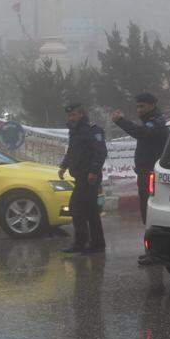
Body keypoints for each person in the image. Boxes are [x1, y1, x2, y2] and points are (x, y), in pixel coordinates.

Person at [112, 93, 169, 265]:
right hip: (145, 174)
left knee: (151, 214)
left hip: (152, 175)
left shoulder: (156, 123)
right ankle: (152, 251)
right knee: (146, 213)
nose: (139, 110)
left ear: (152, 105)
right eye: (137, 106)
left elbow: (140, 133)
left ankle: (156, 253)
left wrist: (121, 121)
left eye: (142, 106)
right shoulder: (150, 122)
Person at [60, 103, 108, 254]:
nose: (71, 118)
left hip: (89, 177)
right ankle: (89, 243)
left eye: (73, 115)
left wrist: (93, 171)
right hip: (80, 176)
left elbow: (100, 152)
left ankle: (89, 244)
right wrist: (63, 166)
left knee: (80, 208)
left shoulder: (93, 130)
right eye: (69, 115)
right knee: (85, 210)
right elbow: (72, 151)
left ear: (81, 114)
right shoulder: (75, 130)